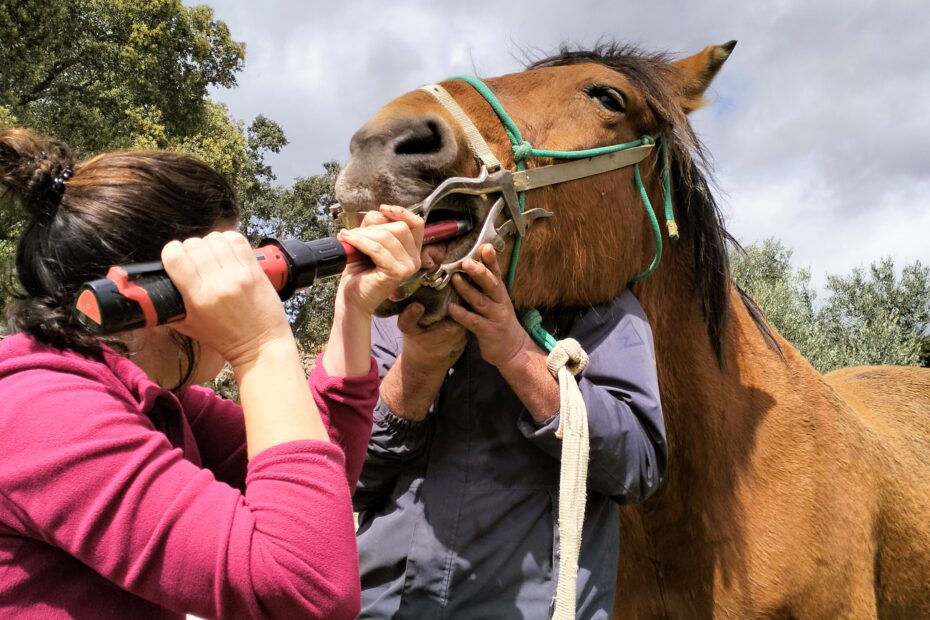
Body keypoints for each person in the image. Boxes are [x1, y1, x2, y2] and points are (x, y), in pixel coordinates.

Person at [0, 128, 424, 619]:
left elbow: (314, 481)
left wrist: (353, 309)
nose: (250, 289)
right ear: (161, 293)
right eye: (234, 274)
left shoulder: (156, 400)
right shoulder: (44, 412)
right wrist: (260, 346)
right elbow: (306, 587)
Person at [353, 243, 668, 618]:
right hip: (382, 607)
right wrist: (418, 366)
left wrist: (517, 353)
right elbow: (350, 483)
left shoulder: (599, 303)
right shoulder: (391, 307)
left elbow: (637, 466)